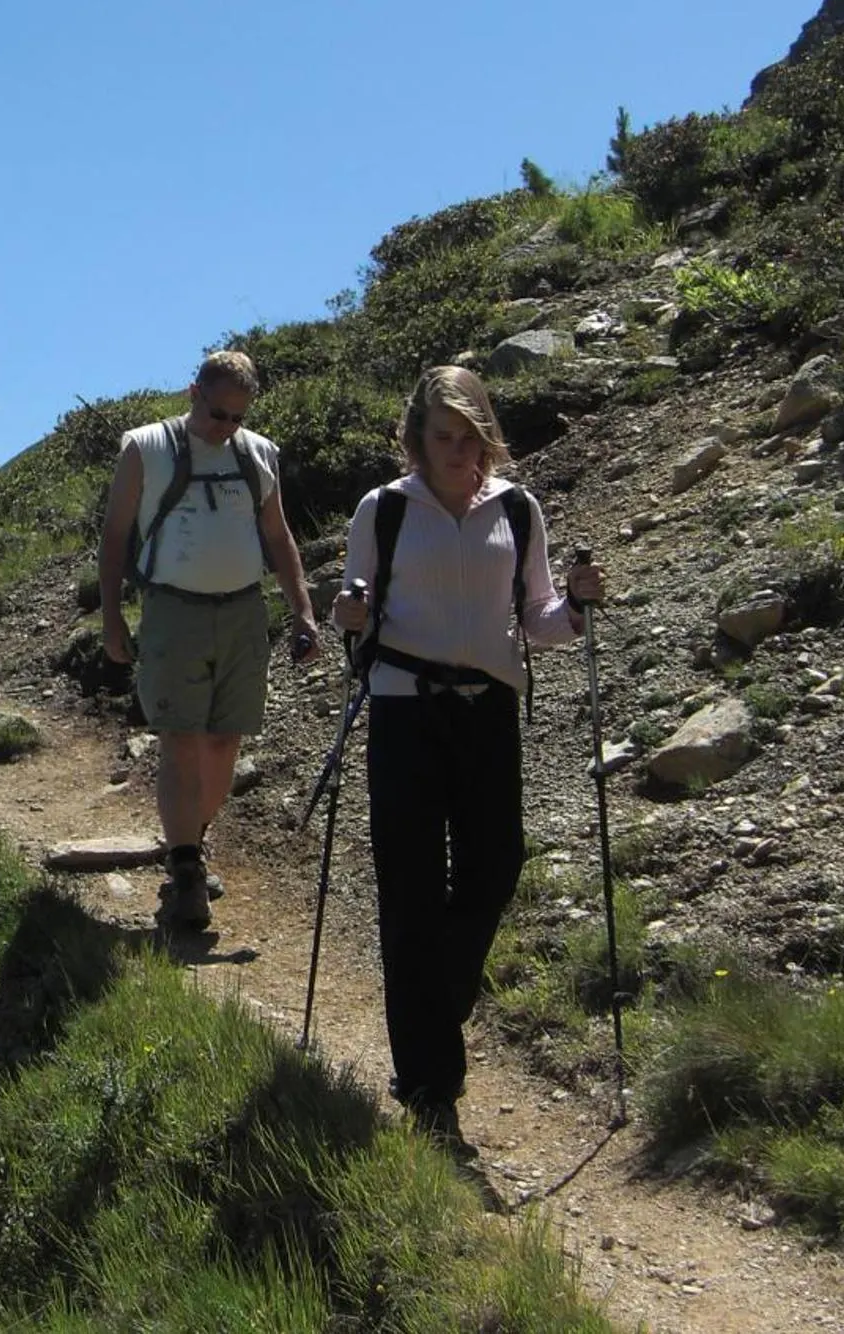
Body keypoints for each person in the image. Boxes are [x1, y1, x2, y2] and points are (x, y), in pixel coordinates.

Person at [328, 365, 604, 1157]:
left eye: (471, 438)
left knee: (495, 864)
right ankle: (428, 1089)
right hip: (404, 710)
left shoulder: (516, 508)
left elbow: (539, 620)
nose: (459, 453)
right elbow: (359, 603)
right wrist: (347, 613)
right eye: (443, 438)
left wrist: (576, 604)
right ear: (414, 439)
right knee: (408, 889)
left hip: (486, 713)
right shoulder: (381, 510)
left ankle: (436, 999)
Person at [99, 349, 321, 937]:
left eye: (237, 418)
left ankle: (188, 848)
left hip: (244, 611)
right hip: (173, 611)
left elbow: (278, 535)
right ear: (193, 390)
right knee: (180, 740)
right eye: (218, 413)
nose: (226, 428)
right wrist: (112, 618)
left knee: (225, 742)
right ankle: (187, 870)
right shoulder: (144, 447)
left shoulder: (259, 454)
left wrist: (303, 610)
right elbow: (115, 534)